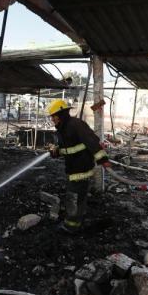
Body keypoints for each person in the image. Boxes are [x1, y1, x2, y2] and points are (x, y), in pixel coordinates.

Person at [47, 99, 109, 234]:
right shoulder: (64, 128)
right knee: (77, 198)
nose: (52, 119)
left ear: (61, 114)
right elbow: (68, 148)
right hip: (74, 169)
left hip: (81, 170)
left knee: (73, 199)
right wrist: (56, 151)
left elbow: (92, 141)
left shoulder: (75, 125)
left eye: (53, 116)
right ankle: (75, 222)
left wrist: (103, 159)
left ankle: (71, 226)